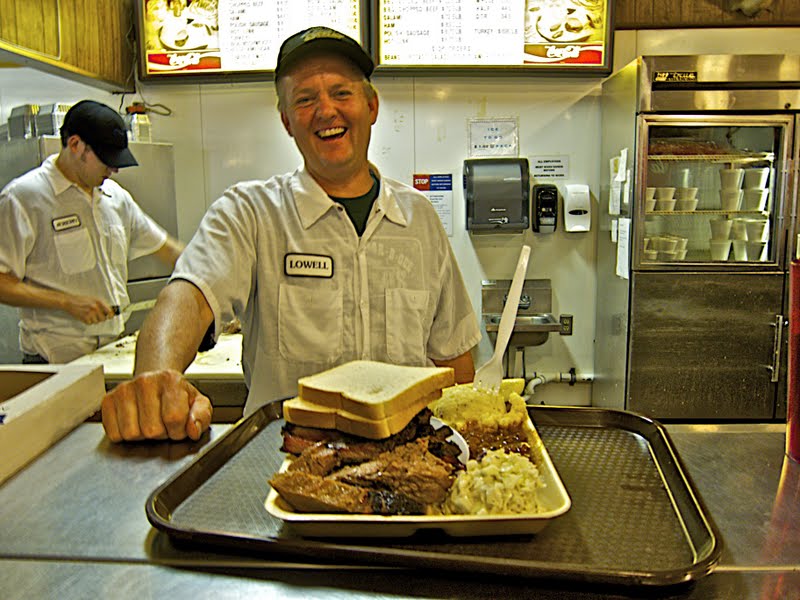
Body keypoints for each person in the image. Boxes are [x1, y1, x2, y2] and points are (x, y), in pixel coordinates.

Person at [100, 26, 481, 443]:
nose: (325, 110)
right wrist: (157, 379)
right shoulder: (251, 213)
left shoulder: (419, 219)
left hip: (407, 466)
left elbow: (454, 359)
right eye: (304, 99)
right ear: (286, 120)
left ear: (371, 106)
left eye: (341, 93)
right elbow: (189, 296)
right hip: (287, 464)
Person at [0, 100, 184, 364]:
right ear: (76, 145)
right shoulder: (24, 198)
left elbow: (167, 249)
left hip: (112, 354)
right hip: (55, 362)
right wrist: (66, 302)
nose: (115, 169)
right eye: (106, 160)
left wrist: (216, 280)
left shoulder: (116, 198)